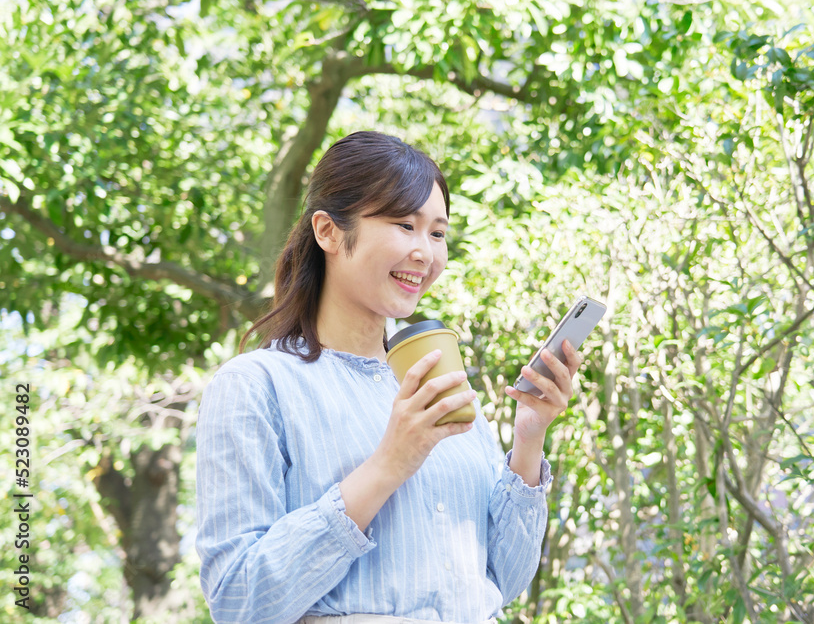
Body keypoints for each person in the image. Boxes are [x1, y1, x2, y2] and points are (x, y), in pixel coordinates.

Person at [195, 131, 583, 624]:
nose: (425, 252)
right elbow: (239, 601)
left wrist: (529, 440)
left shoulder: (437, 382)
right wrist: (388, 464)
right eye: (404, 225)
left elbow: (503, 580)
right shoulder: (256, 385)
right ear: (328, 232)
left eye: (438, 233)